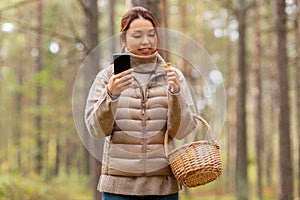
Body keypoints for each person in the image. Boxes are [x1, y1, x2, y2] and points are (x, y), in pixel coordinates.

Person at [85, 6, 197, 200]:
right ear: (123, 39)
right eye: (137, 35)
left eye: (151, 35)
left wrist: (176, 94)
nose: (146, 42)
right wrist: (111, 95)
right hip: (117, 188)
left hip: (163, 188)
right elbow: (95, 130)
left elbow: (183, 131)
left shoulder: (173, 76)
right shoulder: (107, 77)